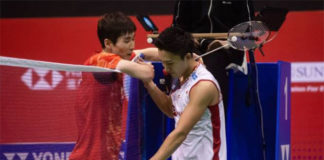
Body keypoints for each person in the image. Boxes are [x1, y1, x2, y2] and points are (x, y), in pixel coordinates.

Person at [69, 12, 157, 160]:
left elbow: (149, 53)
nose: (132, 45)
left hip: (108, 153)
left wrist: (184, 55)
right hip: (90, 156)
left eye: (133, 39)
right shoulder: (101, 61)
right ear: (108, 43)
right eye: (127, 40)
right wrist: (146, 68)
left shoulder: (117, 58)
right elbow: (146, 73)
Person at [143, 26, 226, 160]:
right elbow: (171, 110)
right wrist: (148, 83)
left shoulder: (203, 86)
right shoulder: (181, 74)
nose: (166, 69)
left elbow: (180, 133)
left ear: (188, 56)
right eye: (163, 63)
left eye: (169, 63)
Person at [172, 0, 255, 112]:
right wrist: (188, 39)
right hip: (194, 46)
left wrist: (227, 43)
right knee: (182, 58)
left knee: (214, 58)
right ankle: (180, 113)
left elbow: (248, 33)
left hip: (227, 48)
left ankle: (213, 119)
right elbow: (178, 29)